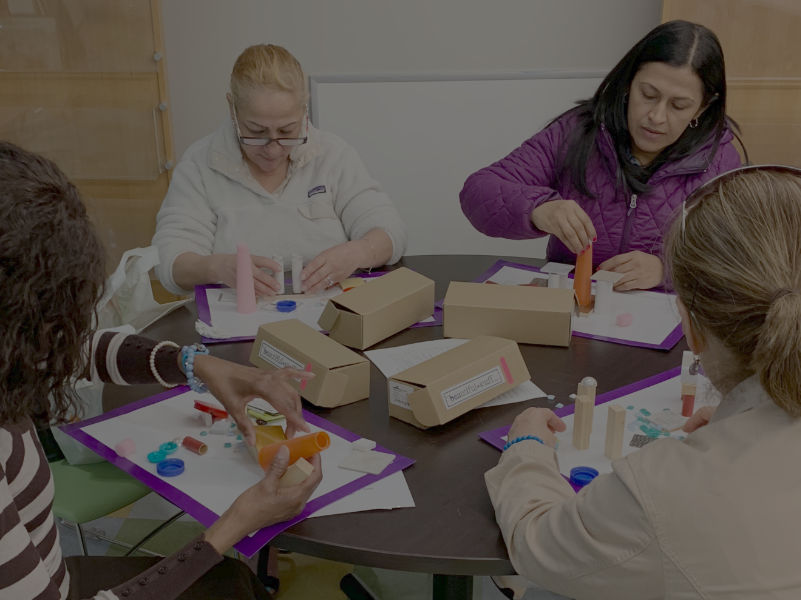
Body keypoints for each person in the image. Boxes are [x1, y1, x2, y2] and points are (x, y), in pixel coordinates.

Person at [0, 141, 321, 599]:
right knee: (233, 585)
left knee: (236, 585)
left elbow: (65, 348)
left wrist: (194, 363)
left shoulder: (14, 347)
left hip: (51, 575)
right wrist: (233, 525)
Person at [485, 165, 801, 599]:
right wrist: (744, 424)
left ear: (691, 324)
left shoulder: (664, 491)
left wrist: (525, 451)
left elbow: (538, 543)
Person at [460, 20, 743, 291]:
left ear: (703, 107)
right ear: (629, 83)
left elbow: (736, 259)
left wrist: (665, 270)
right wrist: (539, 209)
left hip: (661, 320)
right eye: (648, 94)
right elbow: (478, 191)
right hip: (570, 315)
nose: (656, 117)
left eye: (679, 106)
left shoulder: (720, 161)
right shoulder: (577, 132)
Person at [153, 43, 406, 297]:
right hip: (237, 324)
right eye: (256, 132)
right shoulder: (200, 164)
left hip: (329, 321)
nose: (273, 149)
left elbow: (390, 231)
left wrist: (358, 252)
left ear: (303, 110)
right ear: (232, 108)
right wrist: (215, 267)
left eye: (287, 131)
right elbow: (171, 262)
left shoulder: (332, 155)